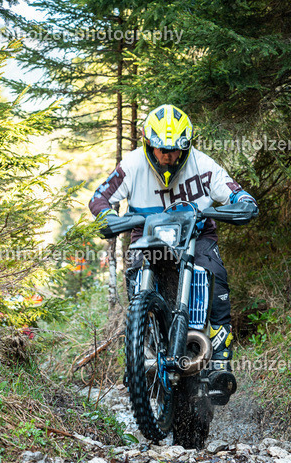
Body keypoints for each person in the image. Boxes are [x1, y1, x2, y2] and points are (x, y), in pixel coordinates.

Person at [89, 104, 256, 371]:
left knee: (215, 274)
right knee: (136, 279)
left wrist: (244, 202)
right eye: (161, 149)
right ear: (148, 144)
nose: (167, 156)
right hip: (147, 235)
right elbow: (100, 197)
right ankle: (141, 348)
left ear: (186, 146)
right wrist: (108, 217)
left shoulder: (203, 164)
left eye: (174, 149)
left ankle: (220, 356)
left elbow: (235, 192)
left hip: (196, 235)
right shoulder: (132, 165)